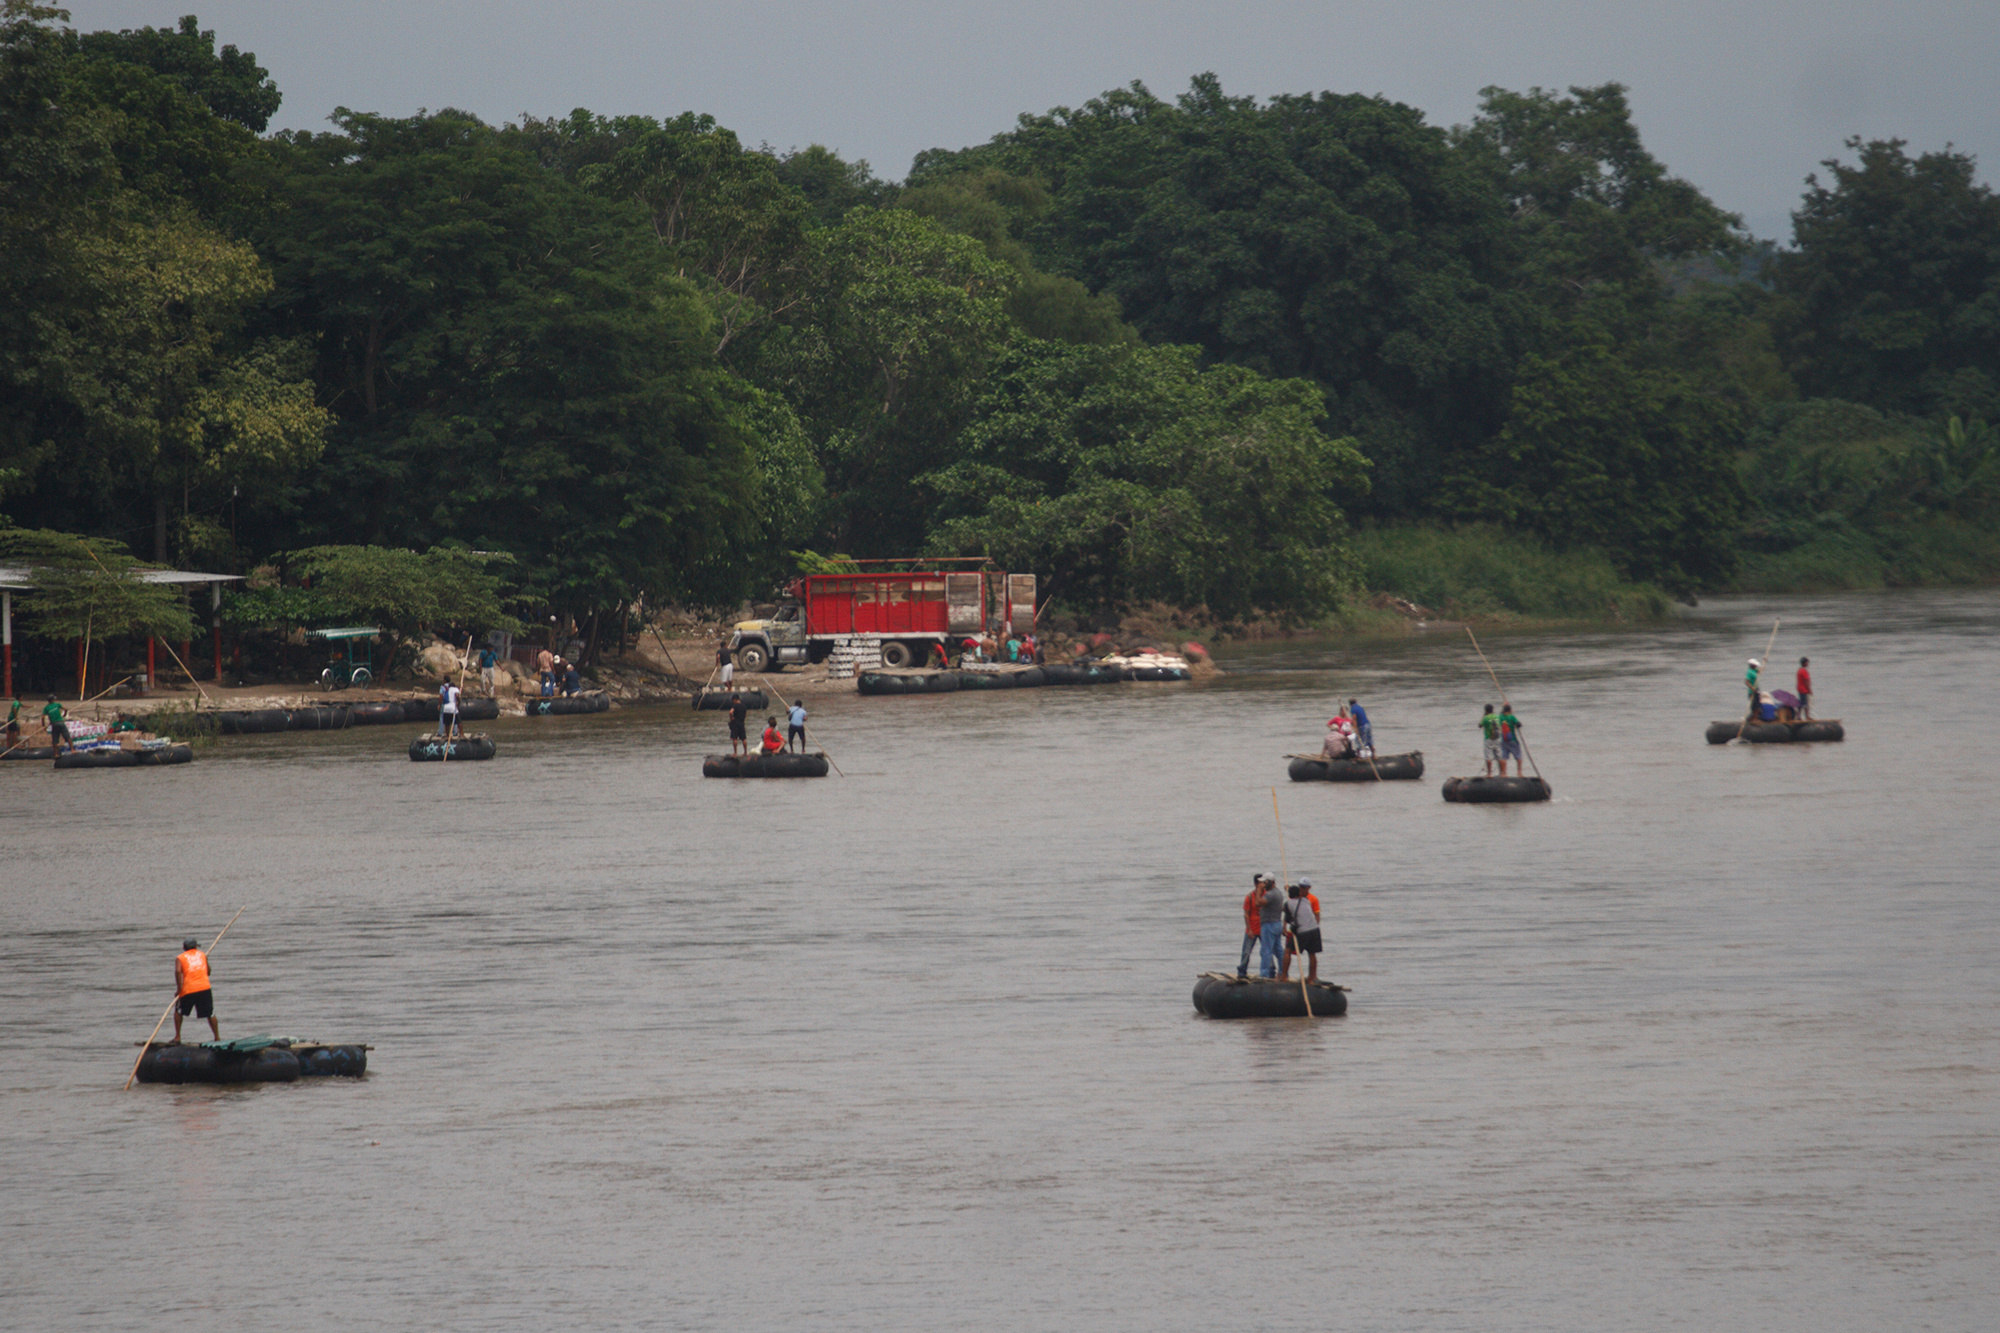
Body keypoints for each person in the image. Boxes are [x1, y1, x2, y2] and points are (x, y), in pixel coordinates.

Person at [172, 936, 219, 1043]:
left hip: (188, 989)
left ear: (184, 948)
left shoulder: (180, 958)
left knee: (178, 1012)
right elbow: (208, 972)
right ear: (195, 947)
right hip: (204, 988)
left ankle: (177, 1037)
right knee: (210, 1013)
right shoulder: (202, 955)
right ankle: (217, 1037)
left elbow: (178, 972)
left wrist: (179, 989)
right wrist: (205, 960)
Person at [1280, 878, 1325, 983]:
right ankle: (1312, 977)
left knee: (1287, 951)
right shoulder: (1306, 900)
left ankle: (1284, 977)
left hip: (1303, 931)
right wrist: (1289, 888)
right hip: (1314, 929)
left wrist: (1284, 927)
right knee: (1312, 953)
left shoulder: (1288, 904)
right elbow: (1298, 895)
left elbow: (1287, 915)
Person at [1257, 873, 1287, 979]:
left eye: (1265, 882)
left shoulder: (1271, 894)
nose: (1263, 884)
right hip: (1276, 923)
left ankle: (1264, 974)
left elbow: (1258, 902)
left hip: (1269, 924)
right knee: (1278, 949)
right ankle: (1283, 971)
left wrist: (1259, 891)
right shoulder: (1277, 893)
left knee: (1266, 950)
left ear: (1270, 882)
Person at [1238, 874, 1268, 979]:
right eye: (1260, 882)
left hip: (1264, 929)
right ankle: (1242, 971)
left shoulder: (1267, 896)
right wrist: (1249, 929)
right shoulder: (1250, 897)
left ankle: (1270, 971)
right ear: (1256, 884)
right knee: (1246, 952)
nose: (1263, 884)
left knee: (1267, 951)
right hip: (1252, 929)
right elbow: (1246, 914)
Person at [1496, 702, 1524, 777]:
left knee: (1504, 757)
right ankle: (1519, 772)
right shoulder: (1512, 717)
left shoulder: (1501, 717)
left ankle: (1504, 773)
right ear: (1510, 710)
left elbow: (1500, 714)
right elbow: (1518, 724)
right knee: (1518, 756)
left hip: (1504, 740)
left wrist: (1504, 706)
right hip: (1513, 740)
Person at [42, 696, 71, 761]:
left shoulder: (46, 708)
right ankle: (72, 749)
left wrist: (43, 725)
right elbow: (66, 709)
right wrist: (64, 715)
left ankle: (56, 754)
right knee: (67, 736)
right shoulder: (57, 705)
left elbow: (43, 717)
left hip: (54, 724)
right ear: (53, 700)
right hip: (60, 722)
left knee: (55, 740)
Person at [1478, 703, 1501, 777]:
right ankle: (1502, 773)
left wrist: (1484, 715)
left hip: (1489, 739)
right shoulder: (1497, 717)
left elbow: (1480, 725)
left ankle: (1489, 773)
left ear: (1486, 710)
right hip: (1498, 738)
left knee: (1488, 757)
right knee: (1499, 755)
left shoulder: (1486, 718)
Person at [726, 692, 748, 757]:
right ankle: (745, 752)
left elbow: (730, 712)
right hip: (742, 723)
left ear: (735, 699)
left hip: (735, 723)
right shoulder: (744, 706)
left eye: (733, 700)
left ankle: (735, 753)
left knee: (734, 738)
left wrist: (731, 718)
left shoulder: (735, 705)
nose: (733, 702)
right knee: (743, 738)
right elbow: (745, 714)